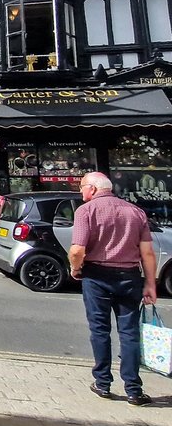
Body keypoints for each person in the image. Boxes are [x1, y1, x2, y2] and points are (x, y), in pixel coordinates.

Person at [68, 171, 157, 406]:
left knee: (100, 331)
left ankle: (103, 383)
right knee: (129, 333)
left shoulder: (85, 211)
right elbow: (147, 252)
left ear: (94, 189)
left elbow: (77, 250)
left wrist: (75, 269)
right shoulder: (135, 212)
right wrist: (150, 283)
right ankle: (134, 390)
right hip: (129, 277)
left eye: (82, 186)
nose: (80, 191)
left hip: (96, 276)